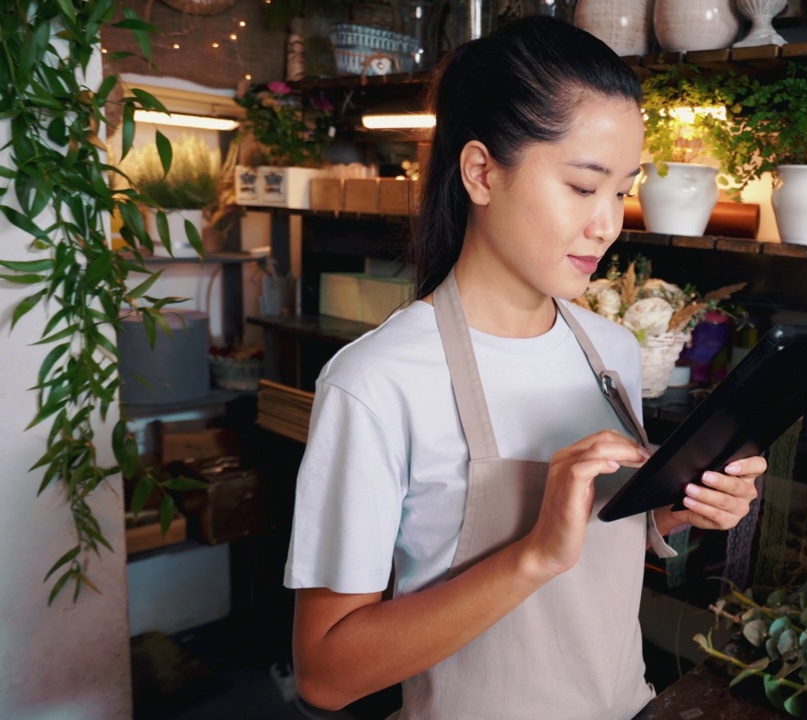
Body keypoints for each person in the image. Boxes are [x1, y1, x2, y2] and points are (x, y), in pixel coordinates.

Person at [283, 16, 765, 719]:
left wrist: (678, 505)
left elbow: (600, 542)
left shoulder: (611, 351)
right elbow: (326, 673)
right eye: (581, 186)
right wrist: (535, 553)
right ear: (481, 172)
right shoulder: (377, 383)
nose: (608, 224)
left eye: (621, 188)